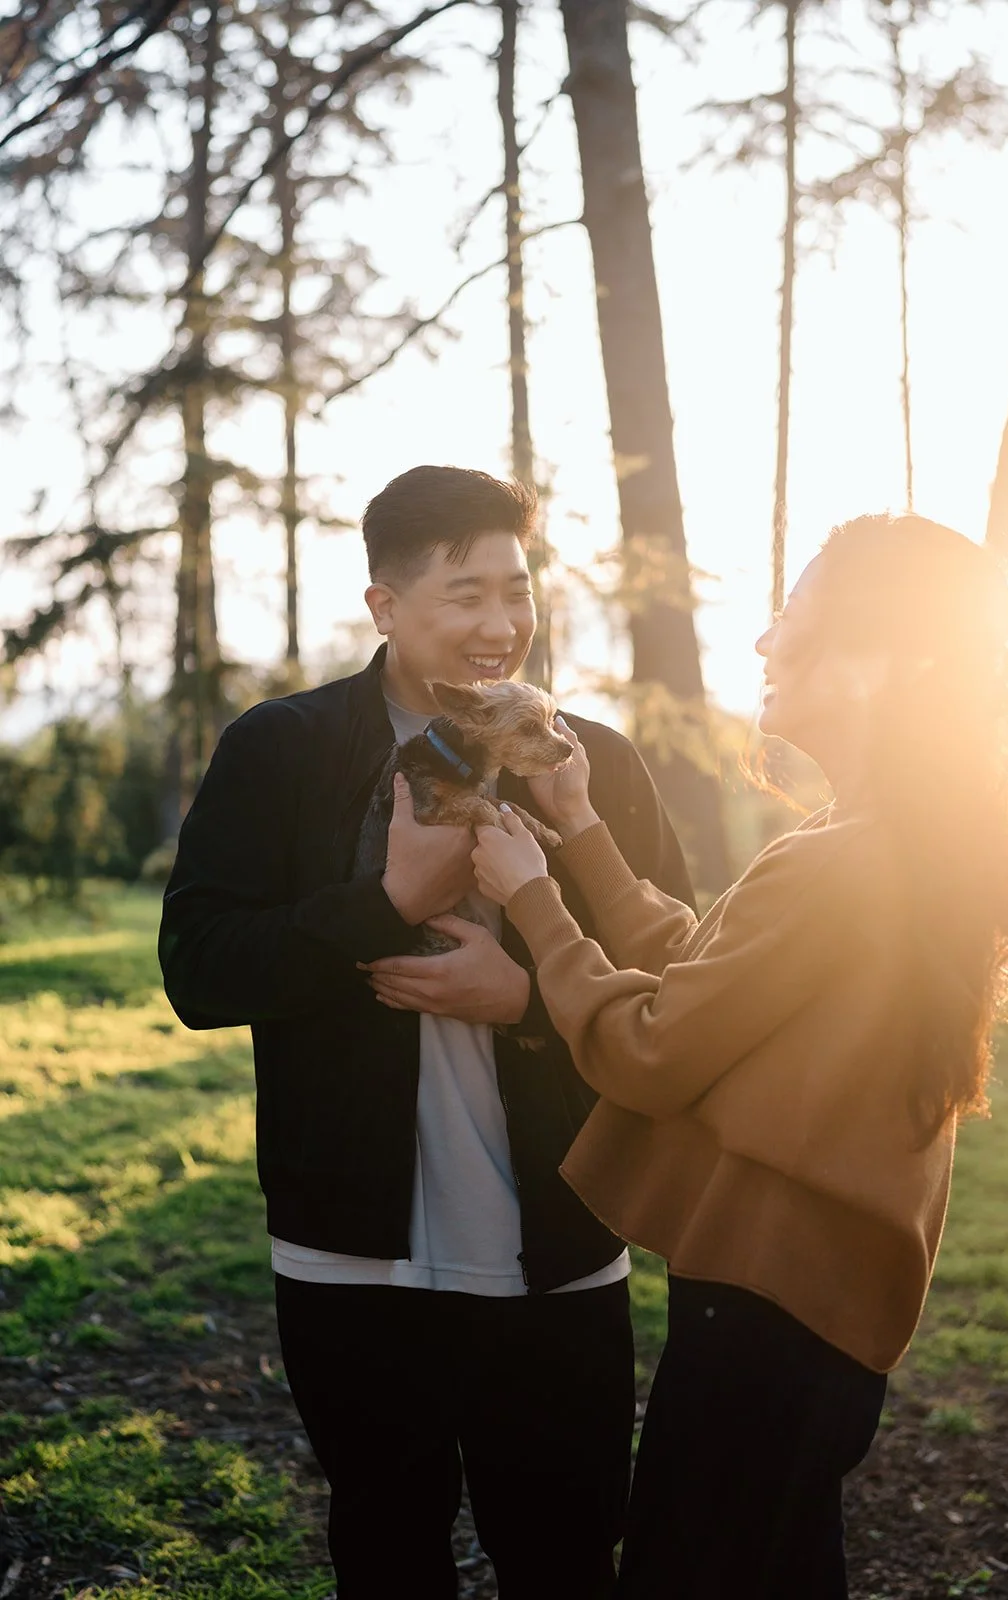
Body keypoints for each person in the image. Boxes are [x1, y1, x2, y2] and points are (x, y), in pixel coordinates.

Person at [472, 513, 1008, 1599]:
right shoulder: (893, 842)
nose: (765, 645)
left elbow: (651, 1048)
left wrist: (530, 899)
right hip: (822, 1320)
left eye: (796, 620)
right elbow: (711, 976)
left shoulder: (839, 860)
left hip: (764, 1322)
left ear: (893, 661)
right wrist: (582, 832)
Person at [158, 465, 693, 1600]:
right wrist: (382, 902)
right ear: (385, 606)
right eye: (462, 595)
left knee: (562, 1557)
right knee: (386, 1551)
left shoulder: (591, 759)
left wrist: (527, 1002)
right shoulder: (281, 751)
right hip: (349, 1252)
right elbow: (199, 971)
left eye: (515, 590)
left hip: (558, 1239)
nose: (500, 625)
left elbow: (677, 991)